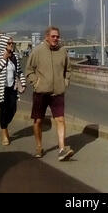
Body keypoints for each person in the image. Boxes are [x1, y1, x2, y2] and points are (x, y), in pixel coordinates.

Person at [26, 26, 73, 161]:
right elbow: (29, 70)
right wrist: (36, 83)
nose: (56, 39)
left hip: (57, 92)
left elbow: (68, 69)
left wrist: (65, 82)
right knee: (38, 121)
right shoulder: (37, 51)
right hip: (41, 92)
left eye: (57, 36)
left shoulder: (63, 51)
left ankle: (62, 149)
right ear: (47, 37)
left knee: (60, 119)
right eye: (53, 36)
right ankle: (39, 147)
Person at [0, 35, 26, 146]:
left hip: (12, 88)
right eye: (9, 43)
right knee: (4, 110)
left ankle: (4, 124)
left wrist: (23, 84)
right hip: (1, 89)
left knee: (13, 110)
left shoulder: (14, 57)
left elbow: (19, 72)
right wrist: (4, 57)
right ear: (3, 45)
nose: (11, 45)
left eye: (12, 43)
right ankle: (4, 131)